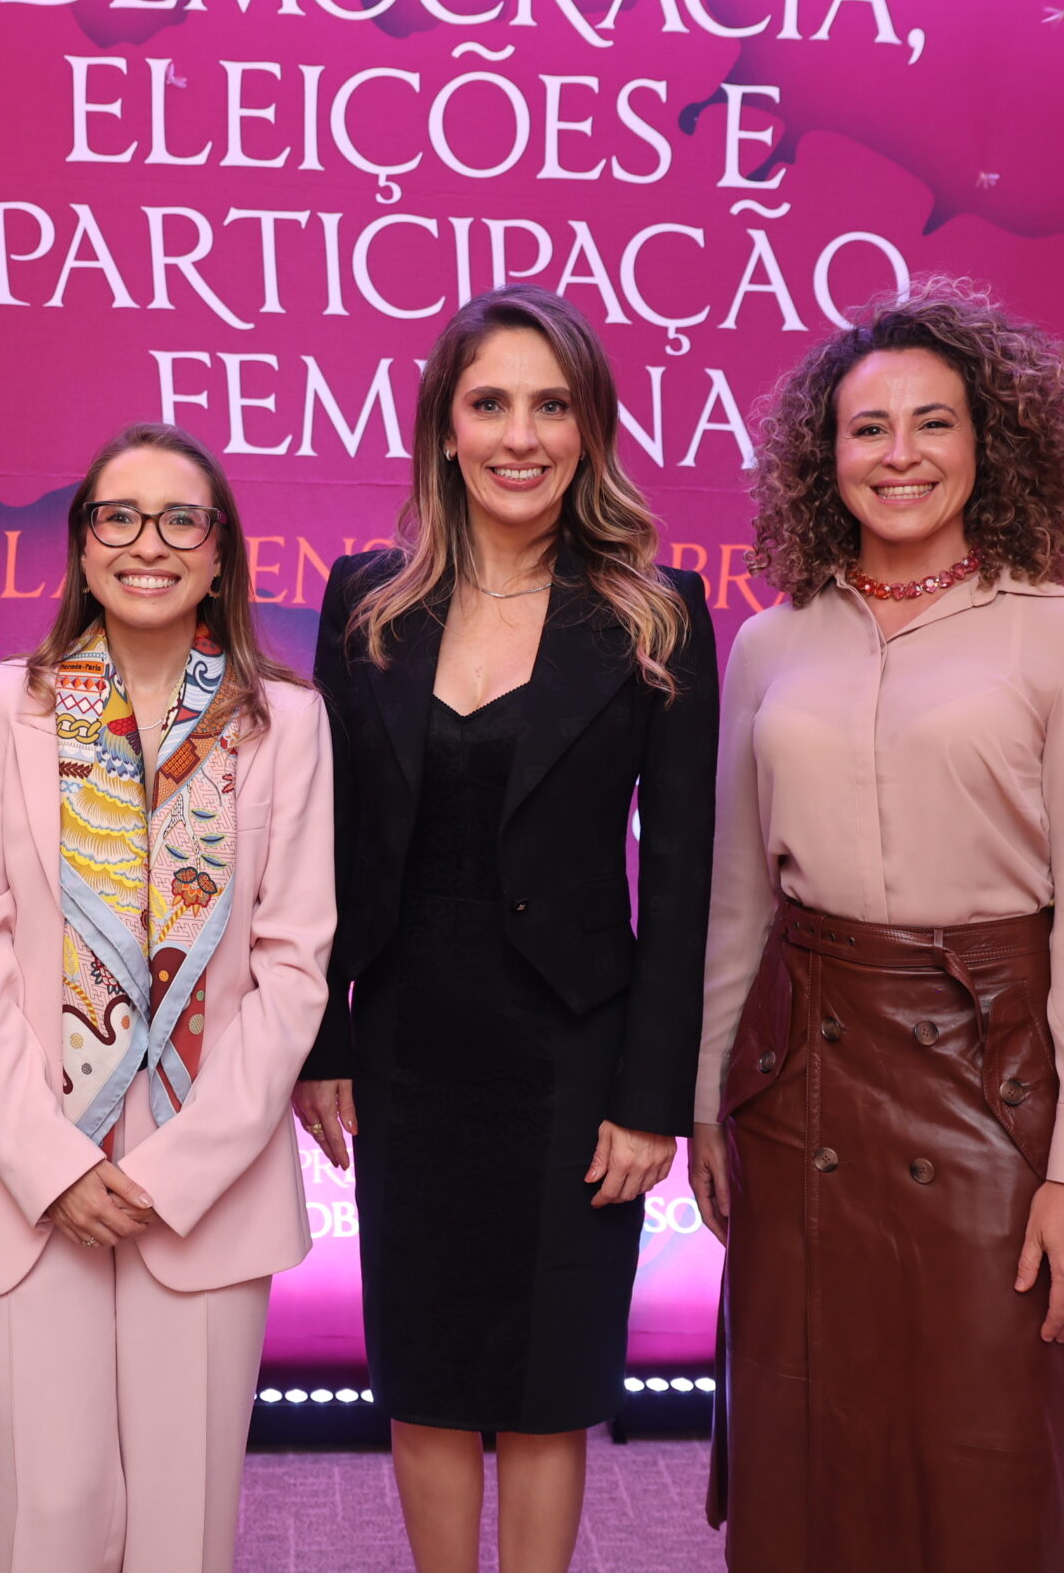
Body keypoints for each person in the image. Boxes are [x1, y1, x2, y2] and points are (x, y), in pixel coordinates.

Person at [691, 278, 1064, 1572]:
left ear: (988, 441)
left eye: (932, 423)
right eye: (867, 427)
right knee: (805, 1444)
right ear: (821, 455)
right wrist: (703, 1100)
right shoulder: (771, 643)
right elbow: (738, 897)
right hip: (801, 1084)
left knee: (985, 1452)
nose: (899, 454)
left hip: (993, 1085)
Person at [292, 284, 718, 1573]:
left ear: (589, 429)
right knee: (423, 1375)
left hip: (574, 1058)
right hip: (411, 1044)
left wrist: (656, 1102)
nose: (519, 434)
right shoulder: (367, 601)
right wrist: (323, 1042)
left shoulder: (658, 613)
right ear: (444, 426)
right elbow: (322, 842)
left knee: (546, 1384)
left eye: (550, 404)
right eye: (490, 404)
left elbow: (689, 880)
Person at [0, 424, 335, 1573]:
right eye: (118, 517)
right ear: (83, 544)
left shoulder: (284, 724)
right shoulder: (1, 709)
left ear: (219, 553)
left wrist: (174, 1168)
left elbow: (294, 967)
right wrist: (52, 1163)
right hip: (23, 1173)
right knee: (45, 1515)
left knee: (180, 1533)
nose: (147, 544)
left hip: (203, 1184)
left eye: (180, 519)